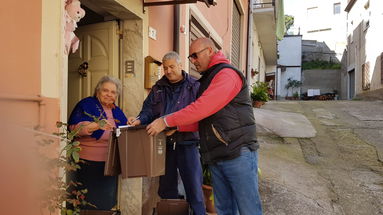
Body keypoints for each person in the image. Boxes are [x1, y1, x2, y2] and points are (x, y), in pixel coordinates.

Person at [146, 38, 262, 215]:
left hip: (237, 152)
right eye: (190, 56)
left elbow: (202, 108)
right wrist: (177, 128)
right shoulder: (208, 78)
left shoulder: (226, 74)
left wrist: (166, 121)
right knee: (224, 209)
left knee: (248, 209)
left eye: (194, 55)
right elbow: (205, 119)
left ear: (209, 51)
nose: (192, 60)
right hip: (217, 154)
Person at [127, 51, 206, 215]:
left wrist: (175, 127)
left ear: (180, 65)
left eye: (171, 67)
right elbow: (148, 110)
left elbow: (200, 115)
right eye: (165, 68)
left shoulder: (195, 85)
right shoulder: (158, 88)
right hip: (164, 146)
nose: (168, 71)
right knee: (166, 189)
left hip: (188, 144)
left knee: (194, 190)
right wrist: (139, 119)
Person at [68, 76, 127, 210]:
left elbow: (123, 132)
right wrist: (94, 126)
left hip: (110, 163)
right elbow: (72, 129)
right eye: (105, 90)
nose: (109, 95)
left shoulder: (117, 111)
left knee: (106, 202)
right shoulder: (86, 104)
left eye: (113, 92)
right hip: (87, 162)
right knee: (87, 202)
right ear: (97, 91)